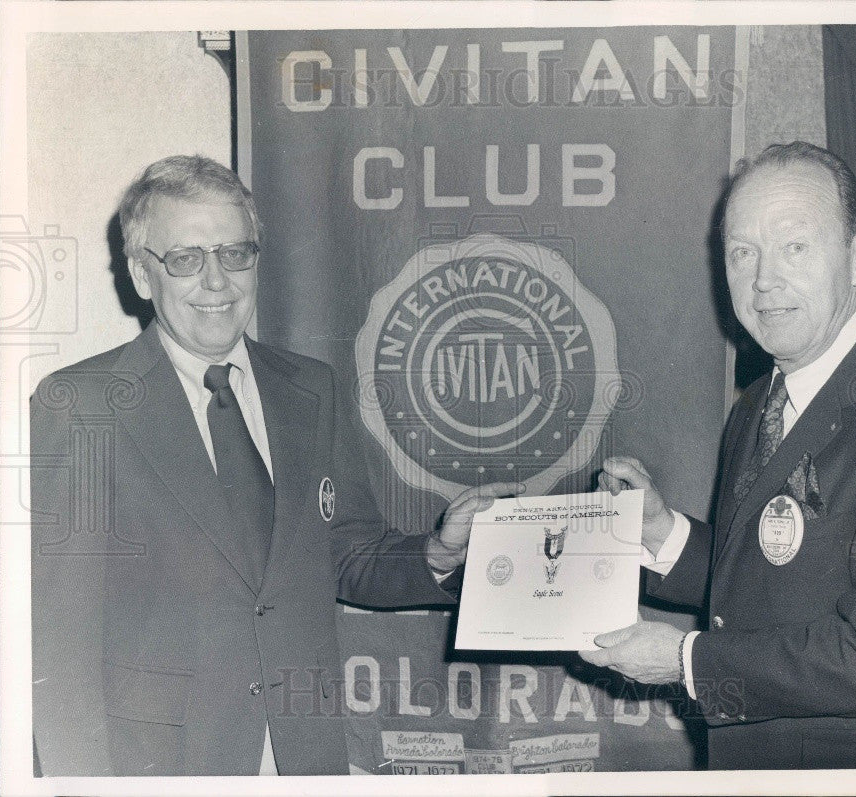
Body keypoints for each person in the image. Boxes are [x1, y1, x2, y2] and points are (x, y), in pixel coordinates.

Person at [30, 155, 520, 776]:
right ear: (142, 275)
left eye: (236, 254)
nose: (217, 282)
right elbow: (58, 645)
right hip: (159, 766)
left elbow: (349, 555)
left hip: (302, 753)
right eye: (186, 259)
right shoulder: (79, 406)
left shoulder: (308, 390)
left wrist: (439, 554)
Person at [581, 141, 856, 768]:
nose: (764, 280)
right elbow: (770, 573)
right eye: (742, 252)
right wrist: (663, 533)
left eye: (794, 247)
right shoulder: (756, 404)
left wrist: (685, 662)